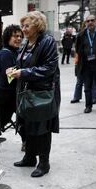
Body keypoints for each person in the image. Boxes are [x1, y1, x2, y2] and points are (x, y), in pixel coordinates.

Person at [8, 11, 60, 178]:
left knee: (42, 128)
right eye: (22, 26)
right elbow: (22, 63)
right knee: (28, 125)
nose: (23, 29)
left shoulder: (48, 41)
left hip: (42, 92)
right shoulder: (26, 42)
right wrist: (14, 70)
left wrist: (24, 73)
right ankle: (29, 157)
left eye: (27, 26)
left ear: (37, 26)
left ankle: (44, 163)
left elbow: (49, 68)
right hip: (27, 91)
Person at [75, 15, 96, 114]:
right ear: (85, 23)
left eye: (92, 20)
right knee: (87, 88)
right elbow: (77, 48)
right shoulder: (81, 35)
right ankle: (88, 106)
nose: (90, 22)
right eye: (88, 21)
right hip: (86, 65)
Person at [0, 25, 23, 133]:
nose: (19, 39)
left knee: (23, 119)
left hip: (14, 94)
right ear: (8, 37)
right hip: (6, 96)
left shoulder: (16, 51)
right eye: (15, 36)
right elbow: (9, 73)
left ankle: (26, 142)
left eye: (20, 36)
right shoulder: (5, 53)